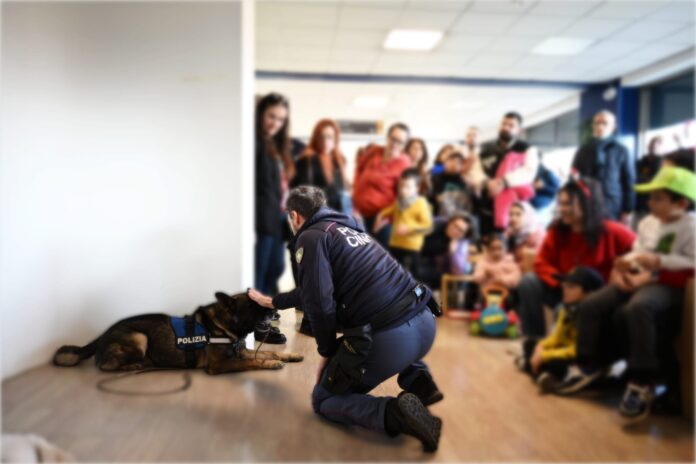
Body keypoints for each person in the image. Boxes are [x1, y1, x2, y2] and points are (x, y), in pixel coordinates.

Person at [248, 186, 444, 452]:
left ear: (294, 216)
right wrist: (274, 302)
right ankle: (419, 379)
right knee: (378, 313)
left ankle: (395, 413)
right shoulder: (350, 229)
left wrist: (328, 351)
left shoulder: (311, 238)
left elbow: (319, 303)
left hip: (391, 339)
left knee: (323, 398)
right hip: (424, 322)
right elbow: (313, 290)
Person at [560, 166, 695, 422]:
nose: (650, 202)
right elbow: (637, 250)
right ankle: (588, 362)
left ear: (681, 202)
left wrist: (659, 263)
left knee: (638, 308)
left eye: (657, 198)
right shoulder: (647, 222)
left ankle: (642, 378)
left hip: (671, 287)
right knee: (591, 303)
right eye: (650, 197)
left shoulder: (692, 227)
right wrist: (624, 265)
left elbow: (691, 263)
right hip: (639, 278)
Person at [517, 177, 636, 337]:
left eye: (568, 204)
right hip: (563, 288)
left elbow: (640, 252)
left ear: (587, 204)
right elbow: (541, 263)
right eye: (561, 203)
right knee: (528, 282)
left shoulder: (613, 231)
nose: (563, 209)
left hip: (596, 295)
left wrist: (622, 275)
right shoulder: (557, 231)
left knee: (566, 309)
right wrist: (565, 284)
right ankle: (533, 341)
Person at [517, 266, 604, 393]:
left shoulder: (592, 315)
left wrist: (546, 355)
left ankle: (537, 369)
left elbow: (578, 349)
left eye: (571, 287)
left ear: (588, 293)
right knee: (530, 343)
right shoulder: (567, 308)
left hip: (580, 356)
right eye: (564, 286)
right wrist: (541, 346)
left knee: (556, 363)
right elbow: (556, 336)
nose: (565, 291)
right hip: (565, 349)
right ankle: (542, 372)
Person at [254, 92, 294, 344]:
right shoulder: (254, 142)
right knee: (260, 273)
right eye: (271, 116)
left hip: (277, 216)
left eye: (280, 119)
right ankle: (257, 324)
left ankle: (264, 315)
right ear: (261, 113)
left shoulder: (273, 144)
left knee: (276, 268)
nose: (274, 123)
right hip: (263, 218)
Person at [478, 112, 539, 235]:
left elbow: (529, 172)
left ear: (519, 130)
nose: (506, 127)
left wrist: (503, 182)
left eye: (511, 125)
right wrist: (486, 182)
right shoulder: (486, 149)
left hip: (513, 208)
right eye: (504, 124)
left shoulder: (527, 148)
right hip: (486, 204)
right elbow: (477, 171)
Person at [353, 123, 412, 246]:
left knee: (377, 258)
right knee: (357, 256)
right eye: (393, 139)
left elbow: (405, 197)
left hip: (381, 219)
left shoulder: (404, 164)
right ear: (388, 137)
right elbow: (359, 170)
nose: (395, 144)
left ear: (405, 144)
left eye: (400, 142)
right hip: (358, 214)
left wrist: (387, 217)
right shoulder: (374, 151)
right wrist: (355, 205)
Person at [571, 110, 635, 224]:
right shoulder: (583, 150)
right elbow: (573, 177)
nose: (600, 126)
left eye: (605, 123)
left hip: (613, 204)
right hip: (587, 202)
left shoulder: (621, 150)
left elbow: (629, 181)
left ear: (613, 126)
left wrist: (628, 209)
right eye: (597, 123)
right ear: (593, 125)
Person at [374, 169, 433, 278]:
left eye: (407, 186)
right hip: (395, 243)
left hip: (412, 246)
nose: (403, 190)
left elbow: (428, 226)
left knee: (414, 275)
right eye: (401, 186)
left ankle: (416, 295)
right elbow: (389, 210)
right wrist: (380, 216)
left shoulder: (421, 203)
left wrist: (409, 228)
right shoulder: (399, 202)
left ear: (416, 188)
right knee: (394, 272)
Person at [292, 119, 349, 212]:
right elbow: (300, 193)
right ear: (316, 139)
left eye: (329, 137)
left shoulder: (339, 160)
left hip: (337, 215)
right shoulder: (306, 161)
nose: (325, 141)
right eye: (321, 137)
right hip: (315, 215)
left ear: (335, 139)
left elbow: (340, 190)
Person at [429, 151, 474, 218]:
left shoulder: (463, 179)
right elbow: (431, 171)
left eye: (458, 162)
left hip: (461, 214)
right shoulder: (437, 174)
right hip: (442, 215)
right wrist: (443, 167)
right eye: (451, 161)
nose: (454, 164)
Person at [635, 136, 664, 218]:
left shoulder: (663, 163)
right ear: (648, 146)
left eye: (657, 145)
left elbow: (655, 181)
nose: (654, 147)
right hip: (639, 202)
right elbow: (633, 178)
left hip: (655, 202)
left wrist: (643, 178)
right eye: (652, 145)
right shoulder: (640, 162)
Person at [460, 126, 486, 194]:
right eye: (468, 135)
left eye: (474, 135)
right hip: (463, 188)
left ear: (481, 138)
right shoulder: (457, 151)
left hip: (484, 188)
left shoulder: (487, 152)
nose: (471, 138)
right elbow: (436, 168)